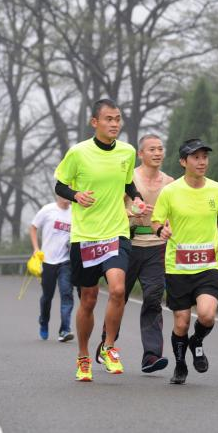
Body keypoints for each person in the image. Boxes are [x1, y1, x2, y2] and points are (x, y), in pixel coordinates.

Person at [54, 98, 146, 382]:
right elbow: (60, 184)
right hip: (85, 237)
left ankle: (108, 347)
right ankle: (83, 356)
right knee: (89, 300)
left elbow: (128, 183)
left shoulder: (128, 152)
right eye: (108, 119)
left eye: (118, 119)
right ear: (95, 122)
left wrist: (138, 200)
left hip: (116, 231)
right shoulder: (78, 153)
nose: (115, 124)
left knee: (118, 289)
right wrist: (75, 196)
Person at [151, 138, 218, 385]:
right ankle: (180, 364)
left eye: (204, 157)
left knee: (206, 316)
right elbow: (156, 220)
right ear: (183, 162)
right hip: (178, 266)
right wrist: (160, 232)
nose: (202, 162)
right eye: (195, 157)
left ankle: (197, 342)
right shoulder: (170, 191)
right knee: (182, 322)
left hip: (209, 264)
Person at [96, 134, 173, 373]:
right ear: (141, 154)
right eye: (152, 149)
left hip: (156, 246)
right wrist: (130, 213)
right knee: (119, 296)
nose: (157, 153)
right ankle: (106, 344)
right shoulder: (130, 179)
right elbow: (111, 206)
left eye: (160, 149)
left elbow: (173, 212)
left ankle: (151, 356)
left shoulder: (170, 182)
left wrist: (170, 228)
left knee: (152, 298)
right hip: (128, 243)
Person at [29, 195, 74, 342]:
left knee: (67, 294)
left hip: (66, 262)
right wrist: (36, 248)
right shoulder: (48, 210)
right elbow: (33, 227)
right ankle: (43, 321)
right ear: (58, 194)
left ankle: (65, 330)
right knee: (47, 296)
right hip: (47, 261)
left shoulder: (75, 212)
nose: (68, 197)